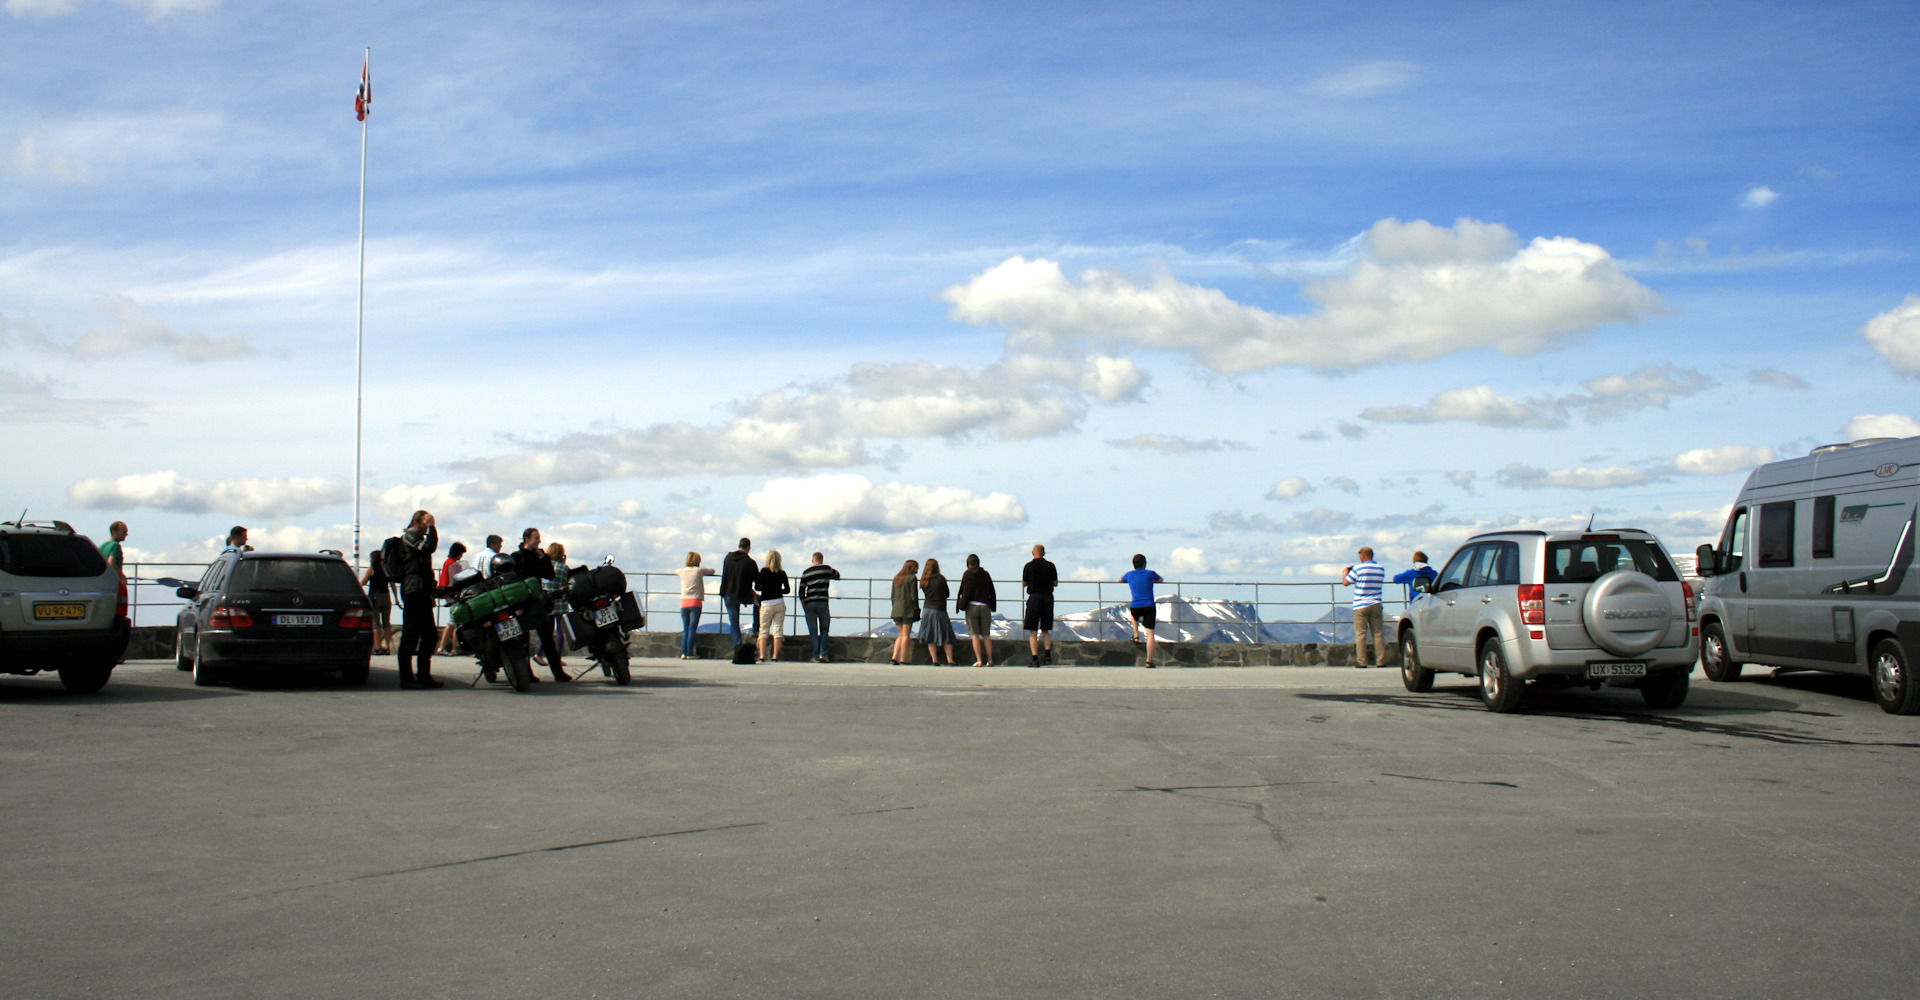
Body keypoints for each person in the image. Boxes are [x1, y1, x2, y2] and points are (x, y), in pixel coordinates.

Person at [391, 510, 441, 689]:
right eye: (426, 522)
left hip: (422, 591)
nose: (427, 527)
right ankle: (406, 678)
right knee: (410, 635)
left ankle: (423, 675)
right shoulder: (409, 537)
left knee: (430, 635)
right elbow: (429, 548)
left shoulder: (418, 537)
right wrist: (434, 527)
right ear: (417, 521)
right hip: (413, 591)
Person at [511, 527, 568, 681]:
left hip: (536, 601)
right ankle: (527, 673)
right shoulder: (516, 557)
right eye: (536, 538)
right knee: (523, 640)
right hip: (521, 602)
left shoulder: (538, 556)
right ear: (527, 539)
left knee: (547, 638)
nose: (539, 541)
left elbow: (549, 575)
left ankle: (558, 673)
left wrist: (544, 558)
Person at [1342, 546, 1388, 669]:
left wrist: (1346, 572)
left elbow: (1346, 582)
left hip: (1361, 604)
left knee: (1361, 634)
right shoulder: (1380, 568)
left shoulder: (1357, 568)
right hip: (1376, 603)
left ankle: (1362, 662)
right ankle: (1380, 660)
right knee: (1378, 633)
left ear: (1362, 556)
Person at [1120, 553, 1166, 668]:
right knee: (1150, 634)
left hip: (1136, 605)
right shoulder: (1150, 573)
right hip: (1149, 605)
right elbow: (1161, 579)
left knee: (1133, 615)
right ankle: (1149, 662)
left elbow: (1119, 580)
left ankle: (1136, 634)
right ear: (1144, 564)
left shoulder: (1129, 575)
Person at [799, 551, 840, 663]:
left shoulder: (806, 572)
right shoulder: (826, 569)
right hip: (822, 602)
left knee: (813, 631)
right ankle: (823, 654)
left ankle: (815, 656)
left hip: (810, 603)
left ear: (813, 560)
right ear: (822, 560)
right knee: (824, 629)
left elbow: (801, 591)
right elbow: (837, 575)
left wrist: (804, 604)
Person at [1021, 544, 1058, 667]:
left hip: (1034, 597)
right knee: (1045, 628)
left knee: (1033, 630)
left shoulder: (1028, 566)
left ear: (1033, 553)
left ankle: (1035, 658)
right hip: (1047, 597)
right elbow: (1055, 583)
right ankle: (1047, 654)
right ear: (1044, 553)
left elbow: (1024, 583)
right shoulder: (1050, 566)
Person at [957, 553, 996, 667]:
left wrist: (961, 605)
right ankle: (990, 660)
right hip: (985, 606)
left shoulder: (967, 574)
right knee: (986, 635)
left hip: (972, 606)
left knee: (974, 635)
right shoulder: (986, 574)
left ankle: (979, 660)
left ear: (968, 564)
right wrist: (992, 605)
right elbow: (991, 591)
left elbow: (965, 592)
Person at [676, 552, 717, 659]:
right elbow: (712, 571)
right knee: (692, 629)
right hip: (695, 602)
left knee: (685, 628)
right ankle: (689, 653)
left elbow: (676, 571)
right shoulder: (699, 571)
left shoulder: (682, 571)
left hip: (684, 602)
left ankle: (684, 653)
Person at [719, 538, 760, 645]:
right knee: (760, 602)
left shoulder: (728, 558)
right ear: (749, 548)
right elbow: (758, 581)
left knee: (734, 623)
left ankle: (738, 647)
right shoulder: (750, 562)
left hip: (728, 592)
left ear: (739, 546)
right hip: (743, 594)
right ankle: (756, 629)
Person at [917, 558, 957, 665]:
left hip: (927, 609)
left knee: (930, 636)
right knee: (946, 636)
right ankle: (950, 660)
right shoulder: (941, 579)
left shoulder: (924, 580)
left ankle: (934, 659)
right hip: (940, 609)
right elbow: (947, 593)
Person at [755, 550, 791, 663]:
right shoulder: (781, 573)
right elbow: (787, 590)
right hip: (779, 602)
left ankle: (762, 655)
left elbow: (757, 587)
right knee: (778, 629)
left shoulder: (763, 571)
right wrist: (778, 589)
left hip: (766, 603)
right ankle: (775, 656)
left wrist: (766, 588)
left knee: (763, 629)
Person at [436, 542, 470, 654]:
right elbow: (458, 579)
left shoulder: (448, 562)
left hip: (447, 594)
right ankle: (449, 648)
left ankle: (453, 648)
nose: (461, 556)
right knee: (454, 622)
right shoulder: (453, 564)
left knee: (455, 622)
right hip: (452, 594)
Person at [360, 549, 396, 656]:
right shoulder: (386, 569)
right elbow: (393, 585)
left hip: (375, 597)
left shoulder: (372, 569)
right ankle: (387, 647)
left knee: (376, 624)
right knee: (386, 623)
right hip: (386, 596)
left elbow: (364, 581)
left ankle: (378, 647)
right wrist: (397, 599)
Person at [888, 559, 920, 665]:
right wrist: (916, 609)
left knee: (900, 634)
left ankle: (894, 657)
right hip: (907, 609)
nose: (918, 569)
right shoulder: (912, 578)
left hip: (896, 609)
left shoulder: (897, 578)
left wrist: (894, 606)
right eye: (916, 567)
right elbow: (913, 596)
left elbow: (892, 596)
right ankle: (903, 658)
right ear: (912, 568)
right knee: (906, 634)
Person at [545, 541, 572, 665]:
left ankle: (542, 654)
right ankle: (557, 657)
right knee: (560, 631)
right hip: (560, 602)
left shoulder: (545, 566)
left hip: (547, 601)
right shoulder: (563, 567)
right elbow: (568, 583)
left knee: (548, 631)